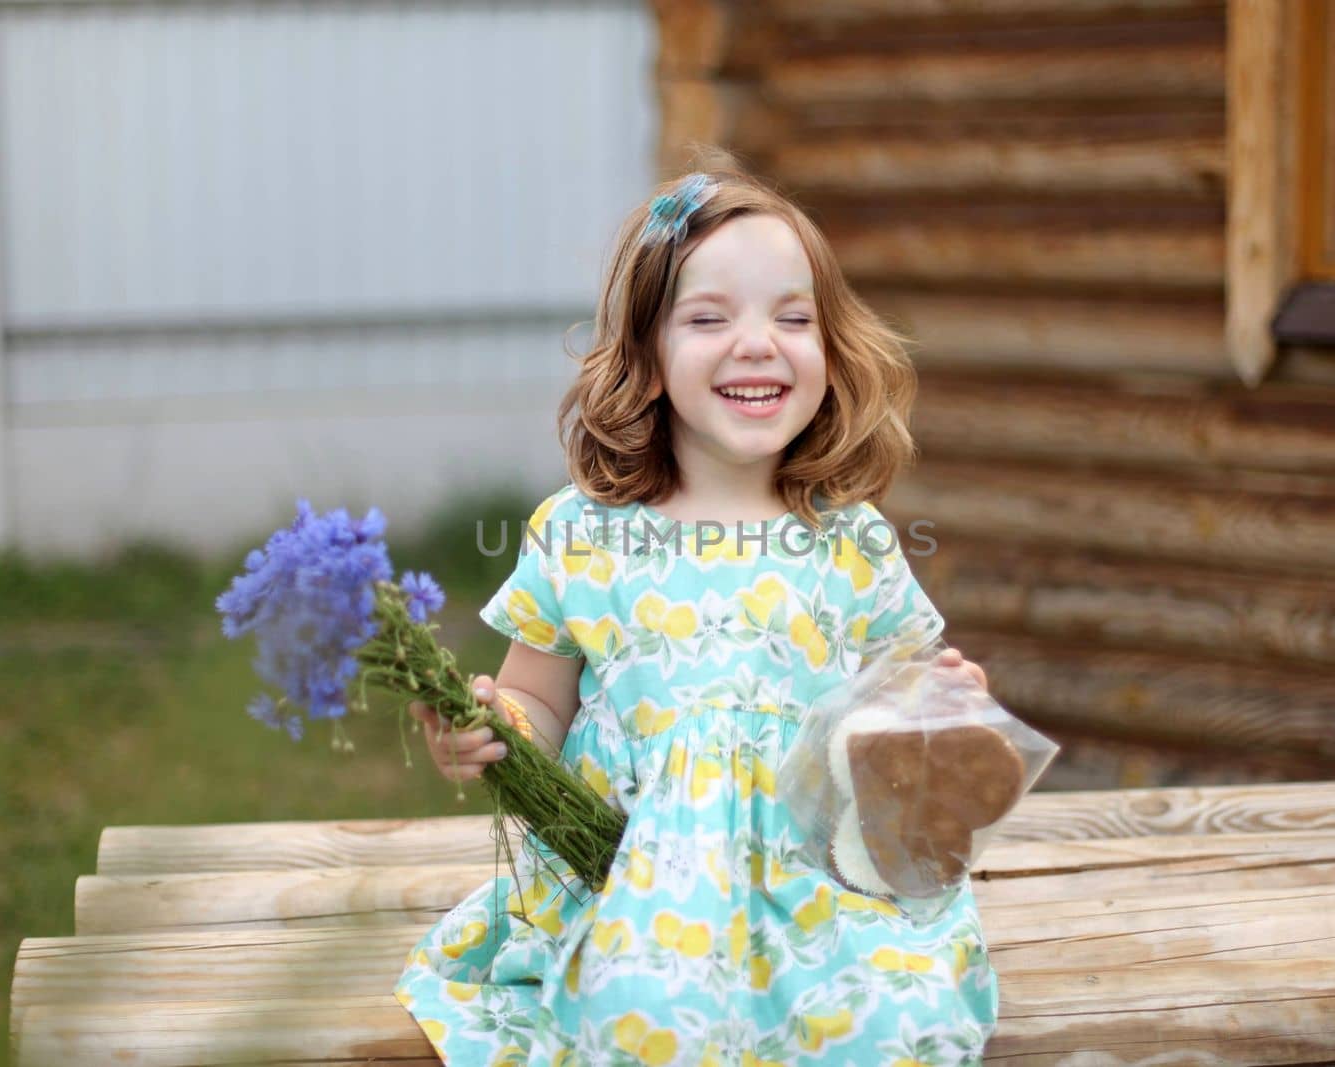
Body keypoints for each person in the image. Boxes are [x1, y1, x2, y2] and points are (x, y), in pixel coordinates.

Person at [395, 155, 998, 1065]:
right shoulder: (586, 533)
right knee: (649, 1018)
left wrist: (942, 716)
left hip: (819, 894)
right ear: (643, 361)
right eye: (709, 318)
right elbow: (542, 704)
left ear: (830, 352)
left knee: (890, 1022)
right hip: (637, 882)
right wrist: (490, 730)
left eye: (792, 318)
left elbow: (896, 727)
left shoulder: (852, 540)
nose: (758, 342)